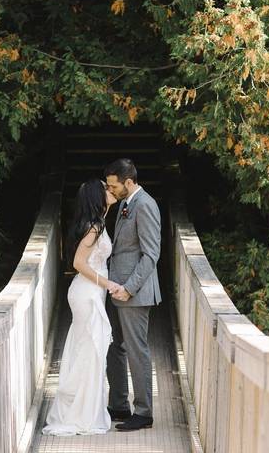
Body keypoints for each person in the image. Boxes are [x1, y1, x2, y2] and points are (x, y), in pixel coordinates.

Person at [41, 179, 124, 436]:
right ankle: (81, 414)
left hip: (89, 293)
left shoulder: (97, 223)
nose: (110, 191)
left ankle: (83, 409)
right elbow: (78, 262)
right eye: (105, 189)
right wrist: (108, 283)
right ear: (96, 197)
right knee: (91, 353)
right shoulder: (95, 227)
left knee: (88, 351)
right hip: (88, 294)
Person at [104, 158, 162, 432]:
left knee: (137, 350)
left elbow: (151, 255)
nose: (111, 190)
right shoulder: (126, 204)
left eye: (114, 185)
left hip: (134, 294)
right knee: (115, 345)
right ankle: (118, 404)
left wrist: (129, 288)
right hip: (116, 289)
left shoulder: (146, 205)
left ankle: (144, 412)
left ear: (129, 182)